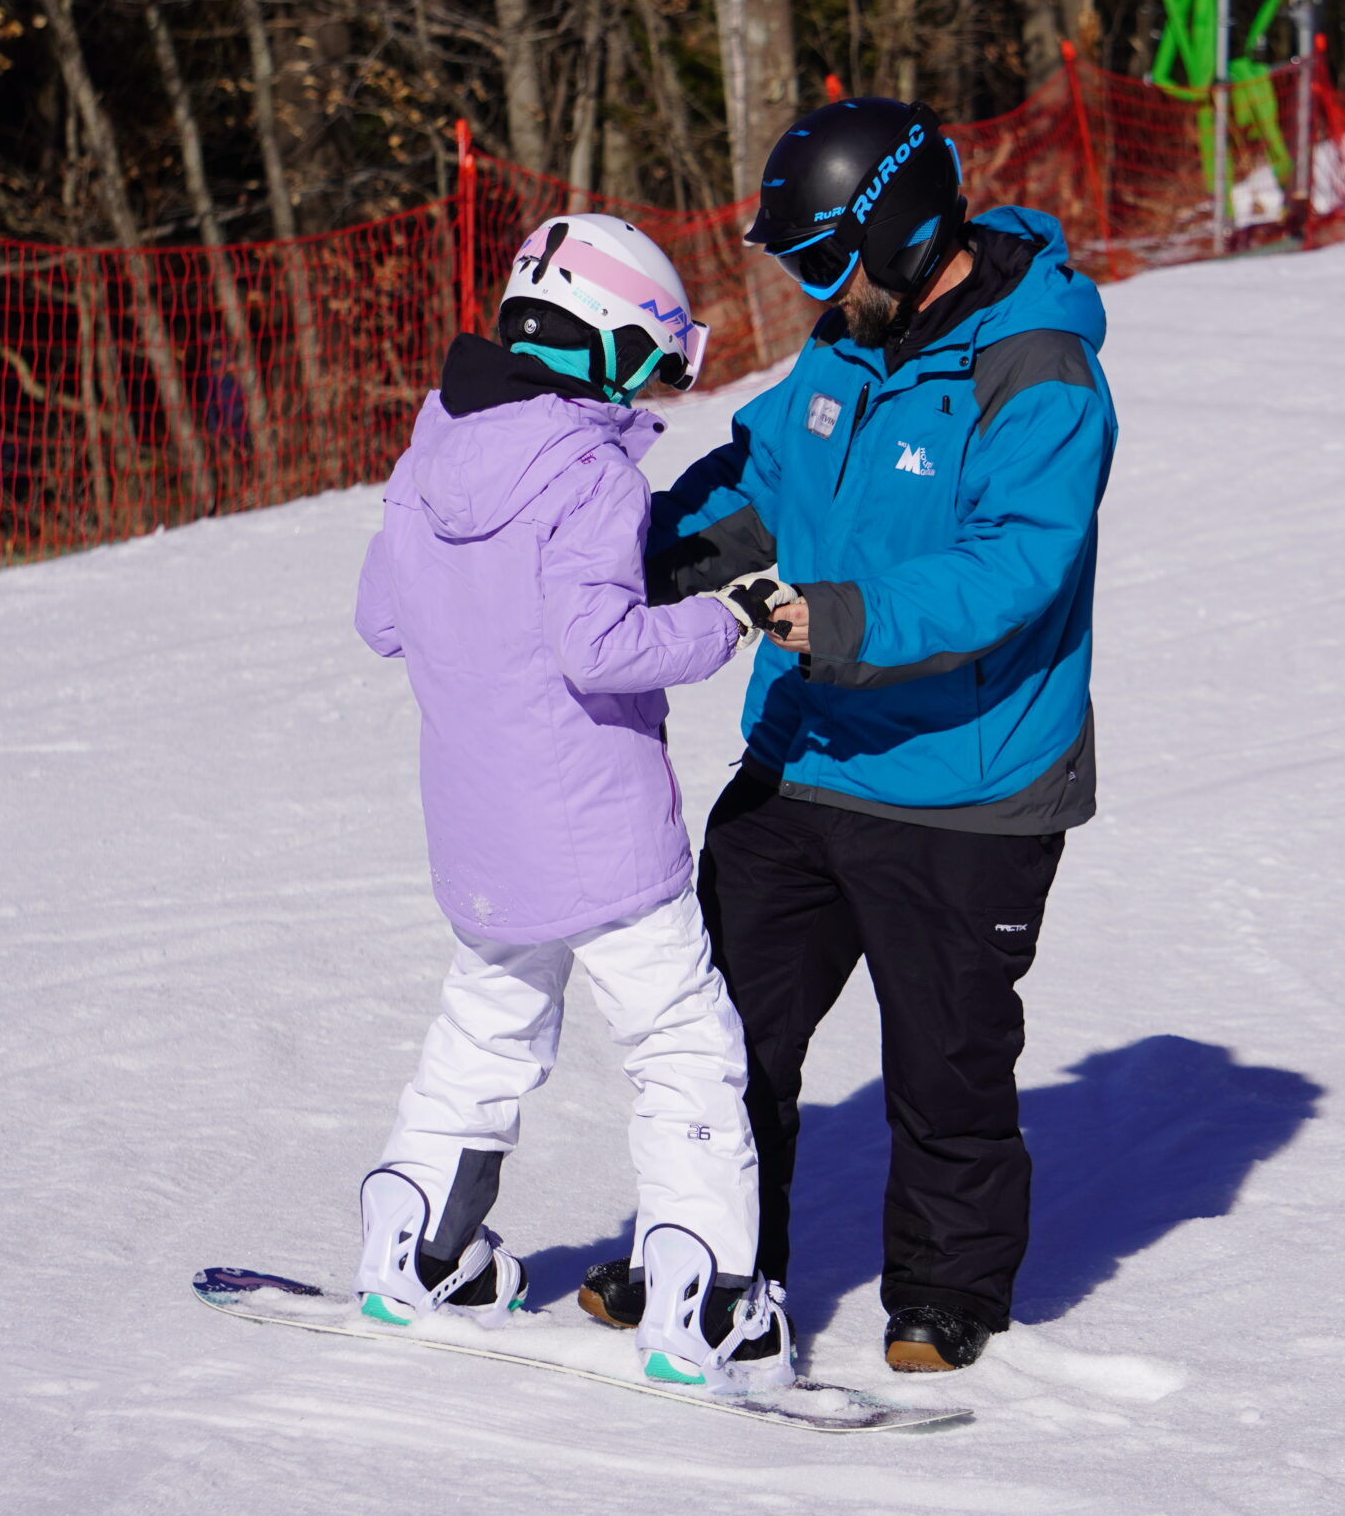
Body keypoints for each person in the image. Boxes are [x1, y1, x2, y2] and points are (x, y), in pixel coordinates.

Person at [603, 98, 1117, 1373]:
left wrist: (838, 613)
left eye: (827, 264)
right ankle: (706, 1252)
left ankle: (944, 1293)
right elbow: (757, 482)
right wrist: (625, 555)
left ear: (905, 230)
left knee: (942, 1067)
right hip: (805, 757)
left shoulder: (1037, 368)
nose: (813, 293)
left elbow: (1016, 567)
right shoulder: (847, 345)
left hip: (965, 779)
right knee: (722, 1038)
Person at [351, 213, 798, 1393]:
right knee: (681, 1044)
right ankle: (704, 1299)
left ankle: (416, 1252)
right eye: (650, 357)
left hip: (479, 832)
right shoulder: (588, 468)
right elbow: (598, 648)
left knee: (485, 1031)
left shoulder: (434, 444)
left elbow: (382, 619)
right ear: (602, 344)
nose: (654, 382)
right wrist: (729, 619)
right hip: (597, 835)